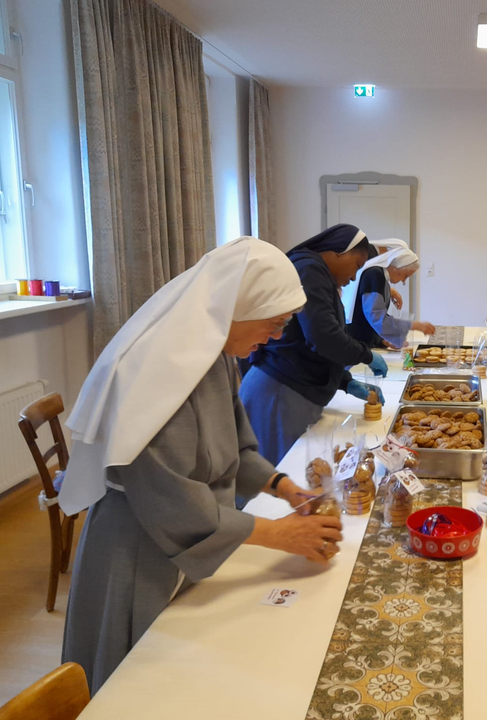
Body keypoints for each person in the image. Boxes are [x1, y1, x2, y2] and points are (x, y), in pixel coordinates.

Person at [59, 237, 344, 694]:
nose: (276, 337)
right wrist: (279, 535)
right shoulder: (157, 369)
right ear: (238, 305)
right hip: (138, 546)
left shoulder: (214, 353)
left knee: (187, 668)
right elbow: (173, 503)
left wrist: (283, 486)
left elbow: (234, 450)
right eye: (274, 323)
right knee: (138, 684)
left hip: (190, 535)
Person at [240, 224, 387, 465]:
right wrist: (366, 355)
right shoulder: (309, 269)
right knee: (277, 474)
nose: (353, 277)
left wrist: (345, 381)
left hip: (291, 390)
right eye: (356, 266)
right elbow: (323, 336)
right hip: (280, 391)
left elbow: (307, 340)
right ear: (339, 251)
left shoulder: (318, 274)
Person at [344, 245, 436, 348]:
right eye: (405, 276)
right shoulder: (375, 275)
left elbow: (370, 317)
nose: (403, 281)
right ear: (397, 267)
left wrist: (382, 340)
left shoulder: (379, 275)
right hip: (356, 344)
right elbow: (376, 317)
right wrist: (414, 325)